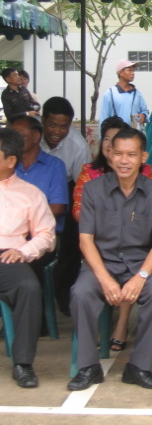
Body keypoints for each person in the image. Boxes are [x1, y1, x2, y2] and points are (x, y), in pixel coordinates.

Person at [68, 128, 152, 391]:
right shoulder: (93, 190)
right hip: (101, 264)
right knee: (80, 293)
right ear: (110, 155)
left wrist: (141, 278)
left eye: (131, 155)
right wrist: (105, 279)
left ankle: (138, 366)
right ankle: (88, 367)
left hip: (141, 265)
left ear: (143, 157)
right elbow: (85, 240)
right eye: (119, 154)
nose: (124, 160)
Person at [72, 116, 152, 352]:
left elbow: (147, 218)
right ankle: (90, 350)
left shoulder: (146, 175)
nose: (111, 145)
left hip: (134, 250)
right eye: (108, 140)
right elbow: (79, 212)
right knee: (81, 291)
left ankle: (122, 324)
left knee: (135, 270)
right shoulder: (89, 173)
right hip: (98, 247)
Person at [0, 128, 56, 388]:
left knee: (29, 287)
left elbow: (46, 235)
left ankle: (22, 364)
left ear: (11, 160)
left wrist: (23, 251)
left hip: (9, 257)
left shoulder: (31, 194)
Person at [12, 116, 68, 334]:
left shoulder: (54, 166)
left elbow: (58, 207)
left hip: (44, 237)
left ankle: (33, 321)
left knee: (26, 263)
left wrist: (24, 224)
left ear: (36, 136)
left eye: (18, 135)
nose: (13, 140)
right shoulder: (8, 166)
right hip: (11, 237)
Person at [40, 97, 91, 316]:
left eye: (64, 126)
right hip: (34, 190)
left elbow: (83, 185)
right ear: (43, 121)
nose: (57, 131)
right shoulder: (32, 138)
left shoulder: (78, 145)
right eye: (52, 125)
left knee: (73, 239)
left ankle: (64, 294)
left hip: (67, 188)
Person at [99, 60, 149, 129]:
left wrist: (143, 115)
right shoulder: (110, 93)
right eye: (129, 70)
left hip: (134, 134)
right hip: (117, 133)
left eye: (133, 70)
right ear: (121, 73)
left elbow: (145, 111)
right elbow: (104, 117)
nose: (133, 73)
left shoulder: (137, 93)